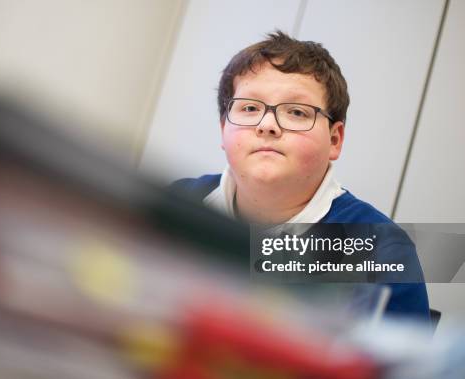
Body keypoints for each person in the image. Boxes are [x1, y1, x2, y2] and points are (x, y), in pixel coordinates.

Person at [170, 31, 430, 321]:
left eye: (296, 112)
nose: (267, 125)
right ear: (223, 129)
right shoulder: (177, 202)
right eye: (250, 108)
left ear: (335, 140)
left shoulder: (383, 249)